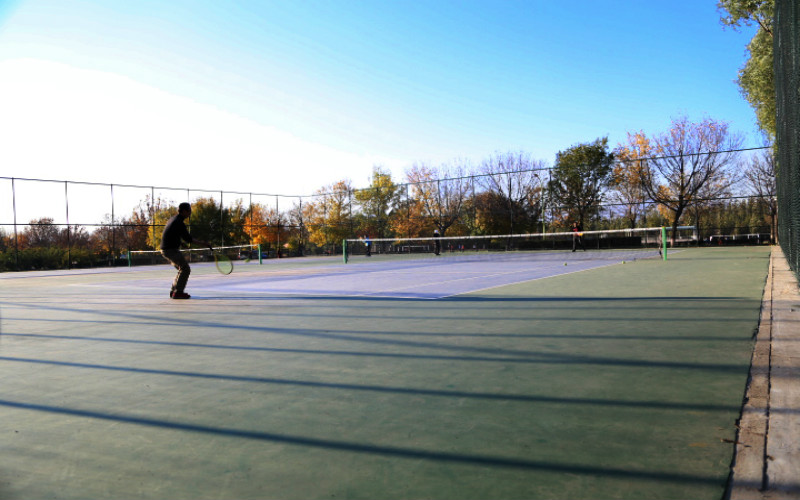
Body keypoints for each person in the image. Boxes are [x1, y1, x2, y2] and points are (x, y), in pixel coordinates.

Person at [160, 202, 212, 300]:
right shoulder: (179, 222)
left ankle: (174, 291)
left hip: (165, 249)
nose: (190, 213)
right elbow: (189, 239)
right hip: (170, 250)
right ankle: (178, 292)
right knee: (185, 269)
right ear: (184, 211)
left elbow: (172, 234)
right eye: (189, 211)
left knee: (182, 268)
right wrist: (205, 243)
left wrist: (180, 243)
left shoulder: (173, 219)